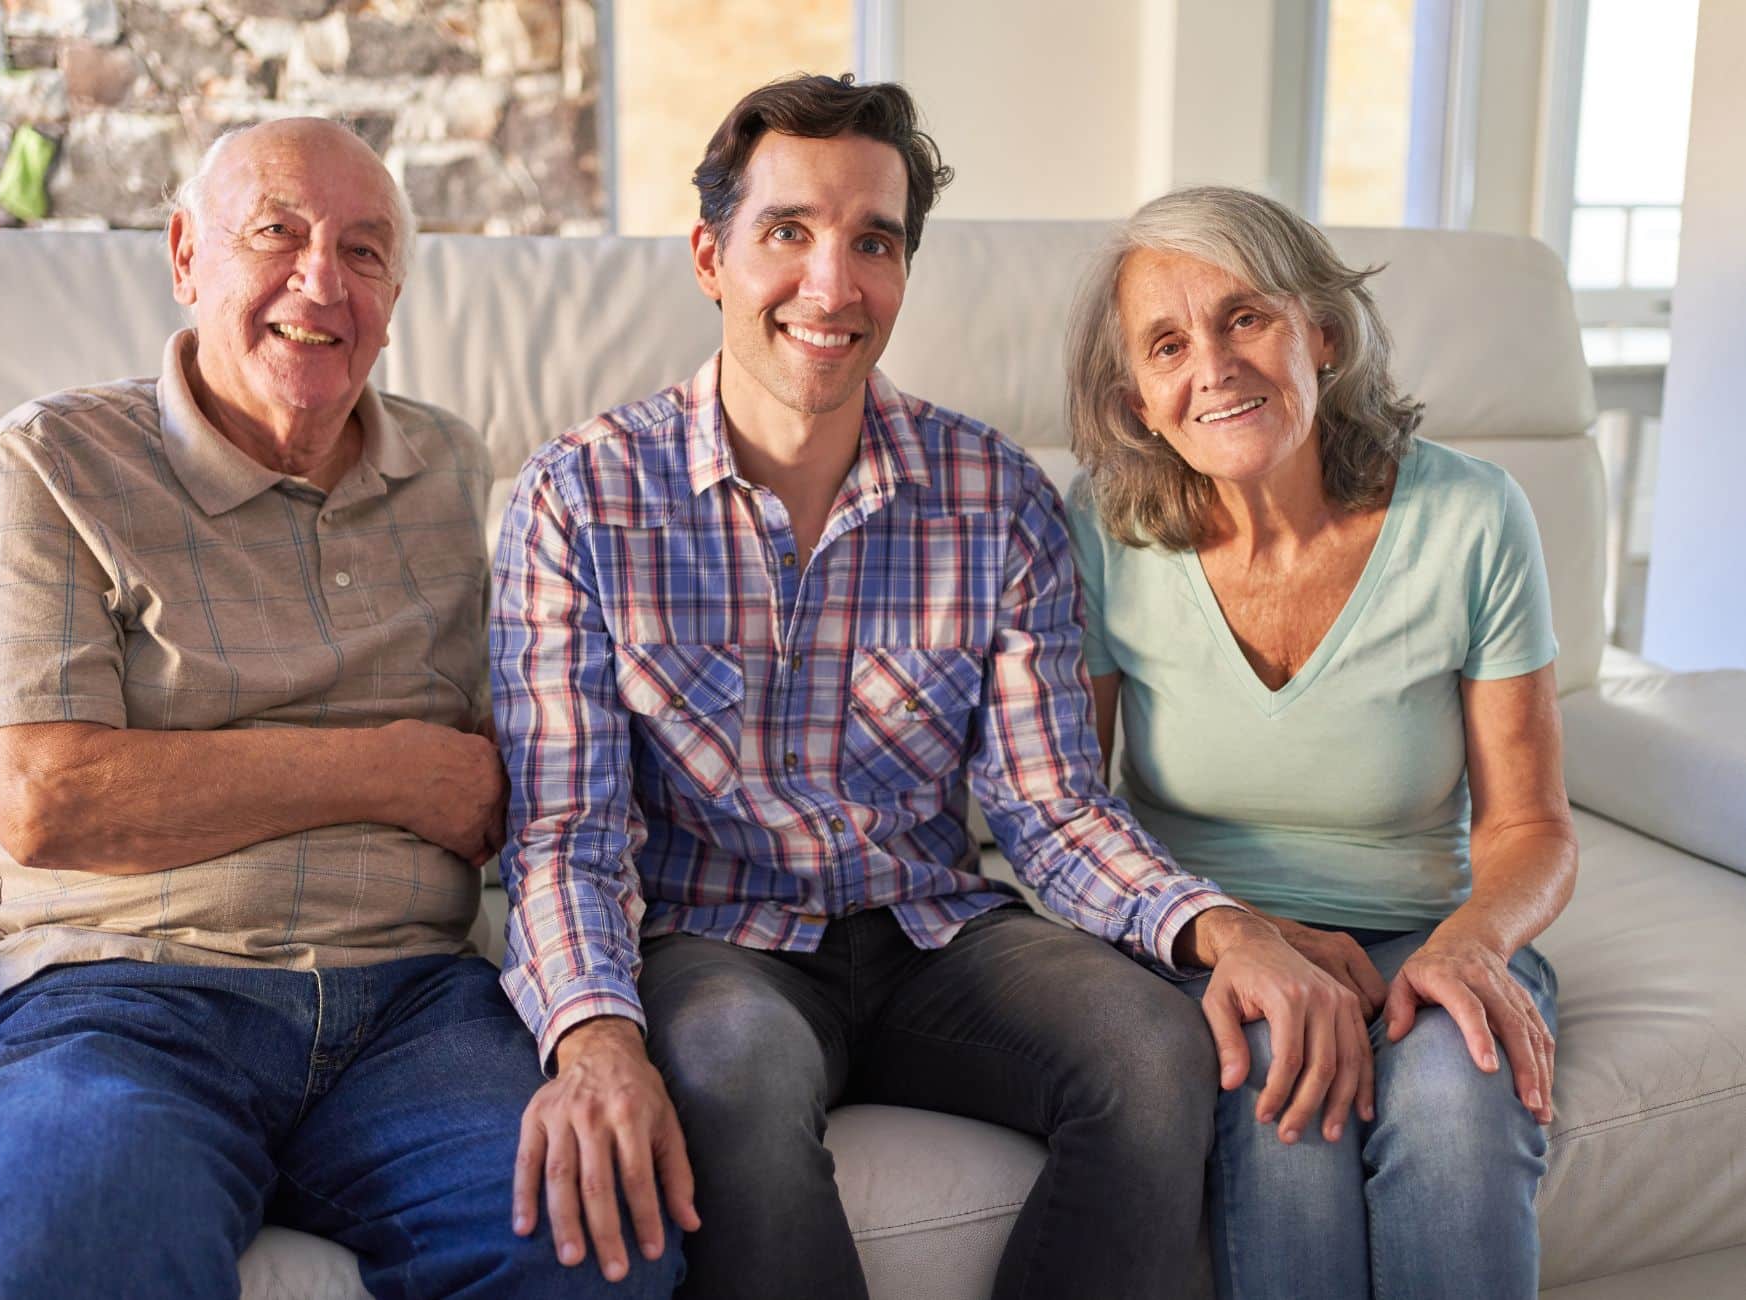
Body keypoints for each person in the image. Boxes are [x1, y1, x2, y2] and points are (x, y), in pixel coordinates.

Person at [490, 75, 1370, 1300]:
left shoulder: (995, 495)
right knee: (728, 1068)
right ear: (709, 254)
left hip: (931, 930)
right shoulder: (577, 498)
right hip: (715, 943)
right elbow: (563, 831)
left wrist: (1227, 930)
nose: (831, 284)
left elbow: (1051, 806)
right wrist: (591, 1031)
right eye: (787, 232)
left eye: (873, 242)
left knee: (1152, 1043)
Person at [0, 118, 681, 1299]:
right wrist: (387, 773)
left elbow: (515, 771)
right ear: (185, 257)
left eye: (365, 252)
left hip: (413, 1002)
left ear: (392, 295)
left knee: (596, 1245)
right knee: (61, 1253)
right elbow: (48, 801)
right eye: (274, 233)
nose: (320, 280)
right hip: (120, 989)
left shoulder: (450, 469)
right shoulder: (53, 461)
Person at [1062, 185, 1577, 1299]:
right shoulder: (1102, 528)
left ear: (1323, 334)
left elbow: (1530, 823)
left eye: (1244, 316)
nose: (1212, 365)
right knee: (1283, 1134)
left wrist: (1470, 944)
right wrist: (1233, 936)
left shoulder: (1473, 517)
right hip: (1214, 944)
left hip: (1427, 931)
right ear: (1139, 401)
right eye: (1166, 344)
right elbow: (1065, 806)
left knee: (1455, 1106)